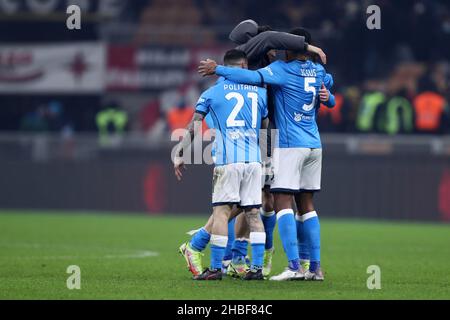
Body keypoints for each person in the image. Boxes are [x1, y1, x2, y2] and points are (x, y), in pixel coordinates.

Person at [180, 20, 329, 278]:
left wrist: (326, 93)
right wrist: (309, 47)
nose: (277, 51)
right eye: (274, 47)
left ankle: (239, 255)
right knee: (251, 199)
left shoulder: (261, 63)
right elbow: (271, 37)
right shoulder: (254, 52)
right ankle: (213, 248)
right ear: (258, 40)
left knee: (258, 199)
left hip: (265, 134)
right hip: (253, 137)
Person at [175, 49, 269, 280]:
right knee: (253, 213)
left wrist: (180, 153)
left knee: (221, 212)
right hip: (254, 160)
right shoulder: (260, 94)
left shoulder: (211, 93)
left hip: (228, 159)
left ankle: (216, 268)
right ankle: (256, 269)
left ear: (225, 67)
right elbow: (265, 128)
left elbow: (195, 126)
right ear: (245, 67)